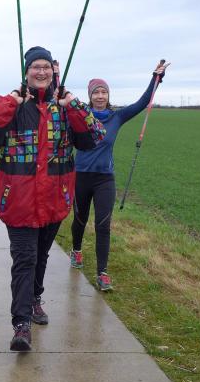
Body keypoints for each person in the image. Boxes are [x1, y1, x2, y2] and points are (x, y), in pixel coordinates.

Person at [0, 46, 105, 351]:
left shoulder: (65, 108)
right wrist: (11, 101)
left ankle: (34, 298)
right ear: (27, 72)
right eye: (36, 67)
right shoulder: (15, 106)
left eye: (46, 66)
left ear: (53, 71)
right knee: (25, 259)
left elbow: (94, 136)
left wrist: (73, 104)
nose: (41, 71)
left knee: (41, 255)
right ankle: (21, 325)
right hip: (19, 200)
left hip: (54, 200)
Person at [69, 60, 170, 292]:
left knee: (103, 224)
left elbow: (143, 102)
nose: (100, 96)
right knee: (80, 219)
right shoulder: (81, 115)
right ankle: (76, 250)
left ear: (108, 95)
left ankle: (102, 273)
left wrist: (156, 78)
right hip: (81, 176)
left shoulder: (117, 117)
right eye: (96, 92)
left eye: (104, 92)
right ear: (90, 96)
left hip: (105, 178)